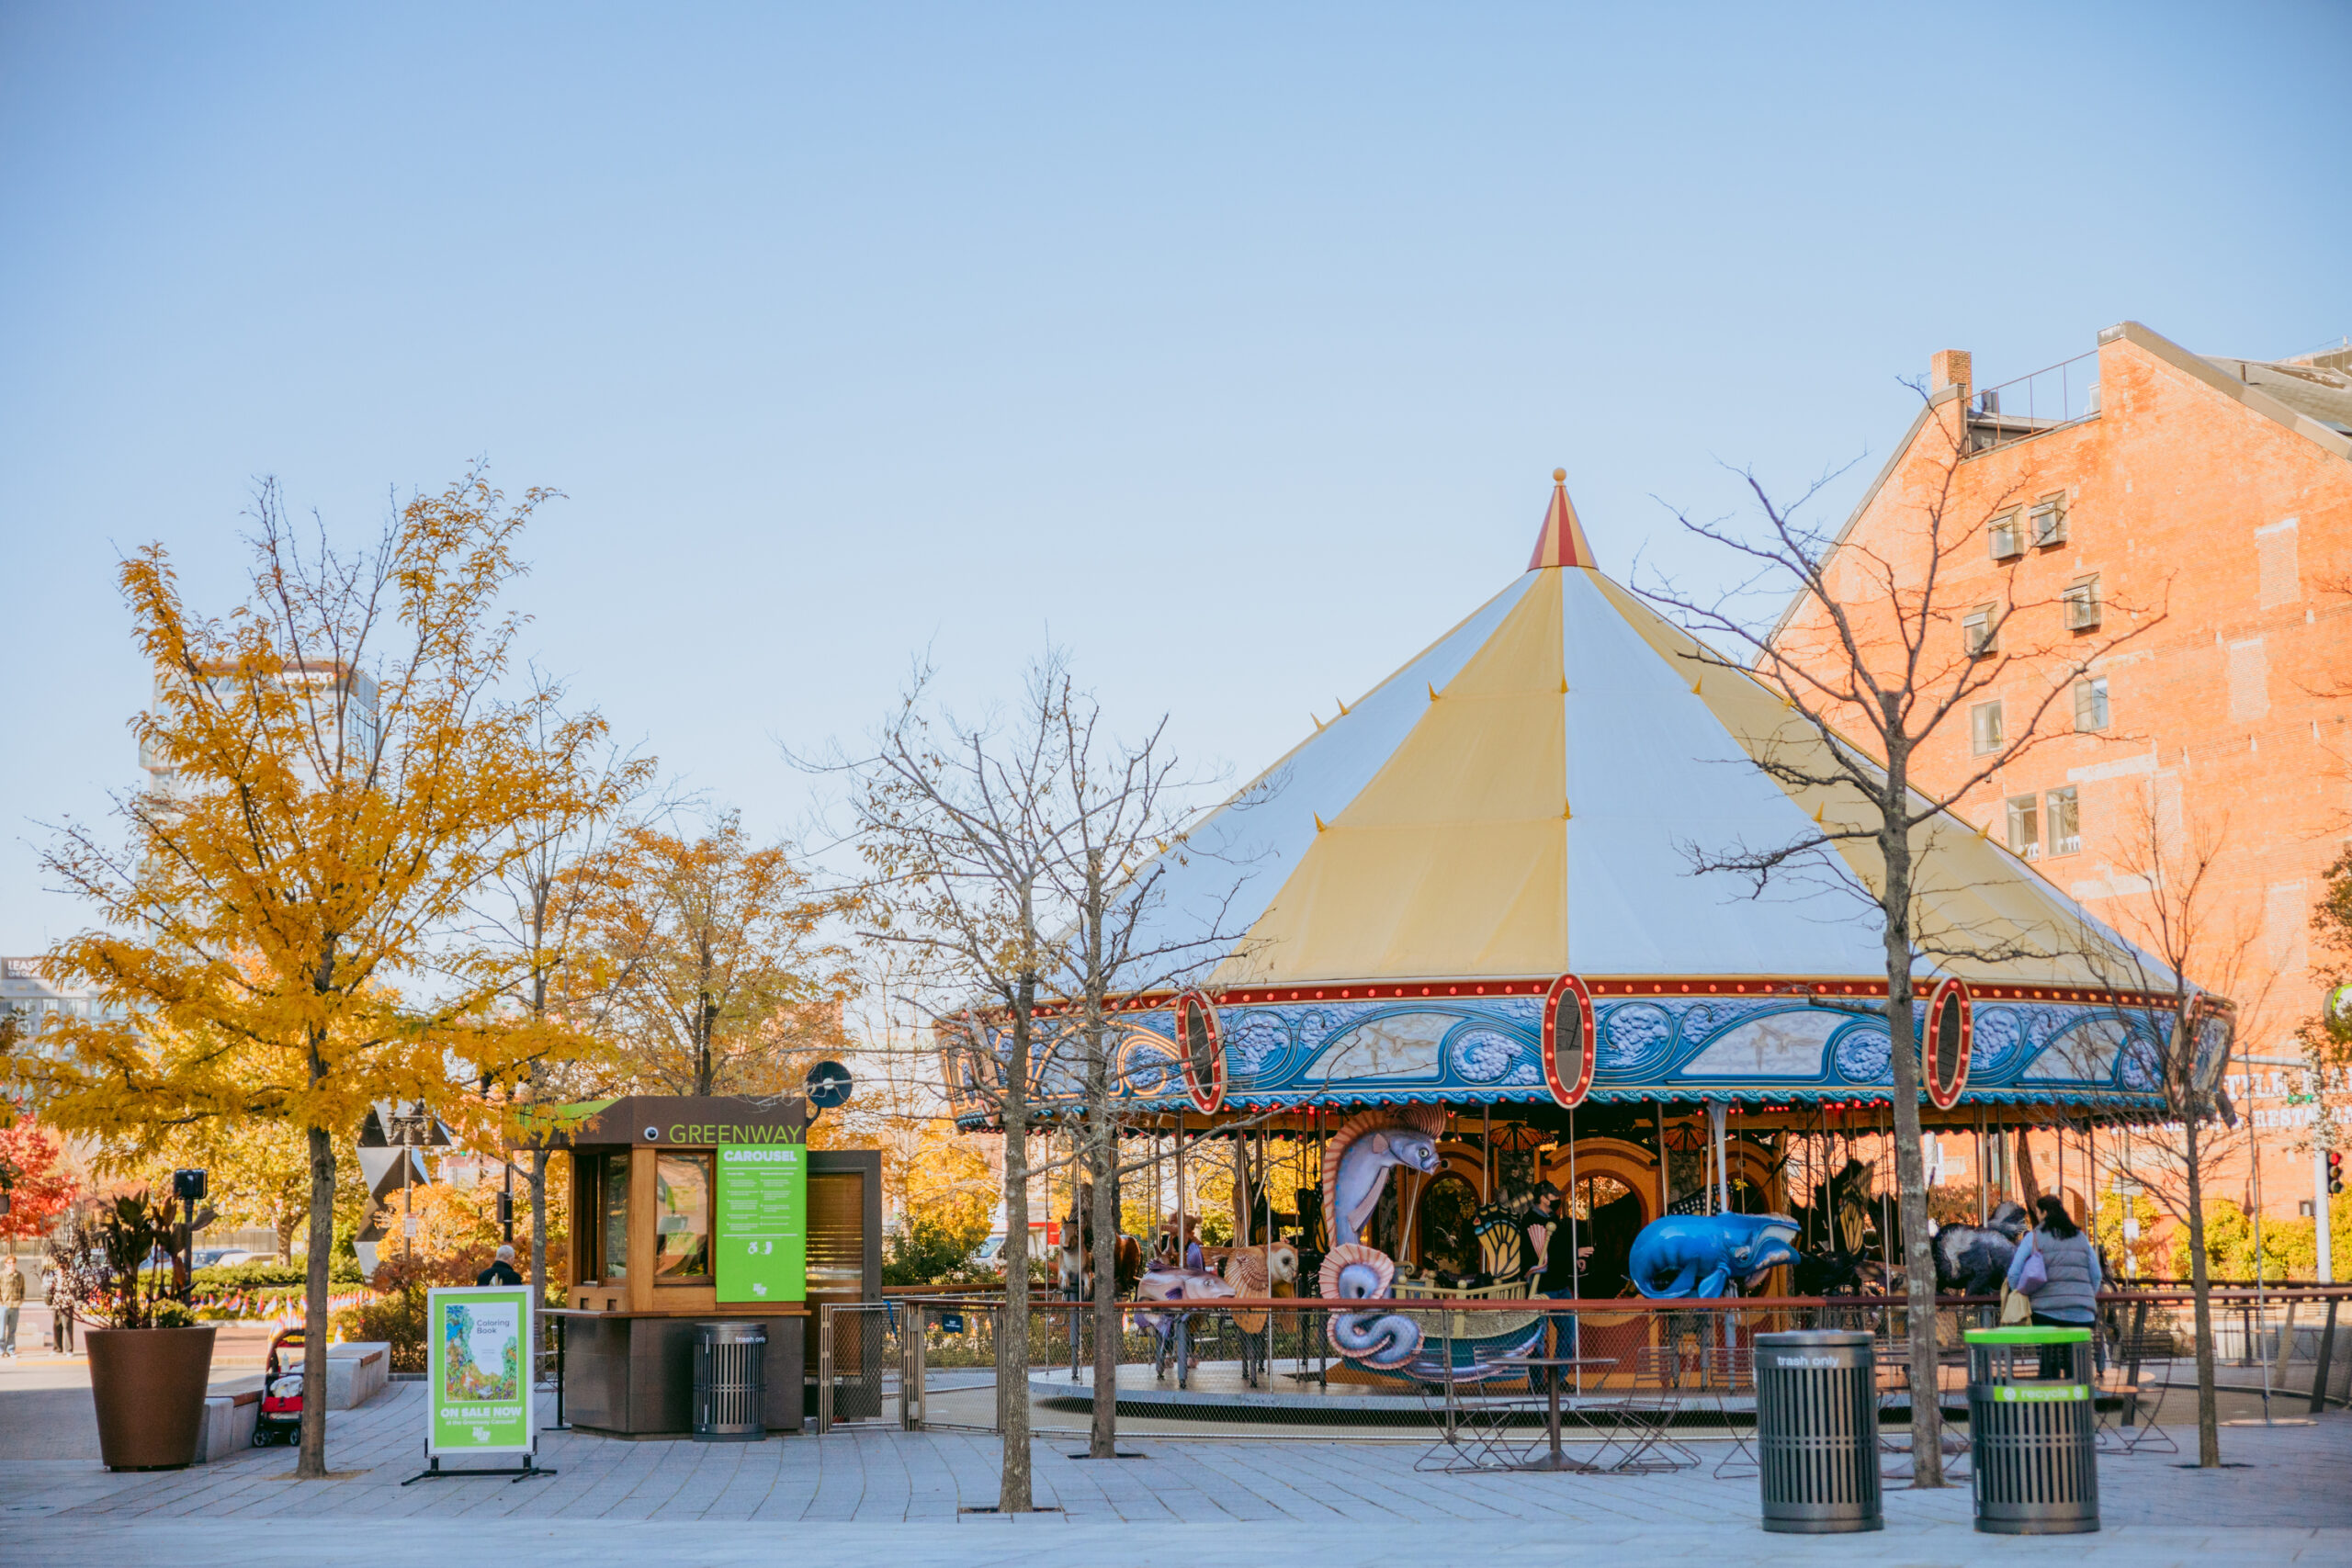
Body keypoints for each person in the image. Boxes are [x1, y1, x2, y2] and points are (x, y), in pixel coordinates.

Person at [2007, 1195, 2101, 1377]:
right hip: (2082, 1315)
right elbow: (2096, 1275)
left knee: (2048, 1361)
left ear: (2044, 1213)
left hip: (2046, 1314)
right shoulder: (2081, 1238)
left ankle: (2050, 1399)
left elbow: (2014, 1272)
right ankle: (2077, 1399)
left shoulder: (2034, 1238)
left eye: (2038, 1212)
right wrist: (2086, 1298)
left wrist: (2020, 1292)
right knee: (2077, 1364)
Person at [0, 1259, 23, 1356]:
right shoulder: (2, 1275)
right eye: (9, 1263)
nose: (11, 1265)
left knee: (12, 1330)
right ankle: (1, 1350)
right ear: (6, 1264)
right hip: (4, 1305)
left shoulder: (19, 1275)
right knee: (1, 1330)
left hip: (15, 1305)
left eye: (13, 1263)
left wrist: (20, 1300)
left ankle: (10, 1349)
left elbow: (23, 1288)